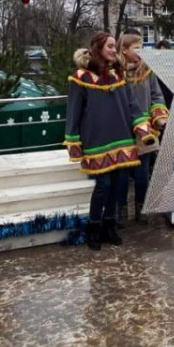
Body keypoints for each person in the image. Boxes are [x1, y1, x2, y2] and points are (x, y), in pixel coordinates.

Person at [64, 31, 156, 250]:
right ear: (98, 48)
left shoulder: (118, 75)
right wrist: (73, 141)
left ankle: (109, 226)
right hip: (96, 142)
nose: (114, 50)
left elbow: (132, 106)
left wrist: (143, 129)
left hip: (123, 139)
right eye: (110, 46)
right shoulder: (81, 77)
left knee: (117, 186)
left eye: (115, 46)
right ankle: (93, 228)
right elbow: (74, 111)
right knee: (103, 185)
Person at [114, 33, 169, 226]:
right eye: (136, 48)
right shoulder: (115, 73)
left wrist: (159, 117)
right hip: (122, 130)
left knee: (142, 173)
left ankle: (141, 208)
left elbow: (157, 96)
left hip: (145, 133)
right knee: (122, 174)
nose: (141, 53)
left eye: (142, 48)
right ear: (124, 51)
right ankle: (120, 210)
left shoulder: (147, 71)